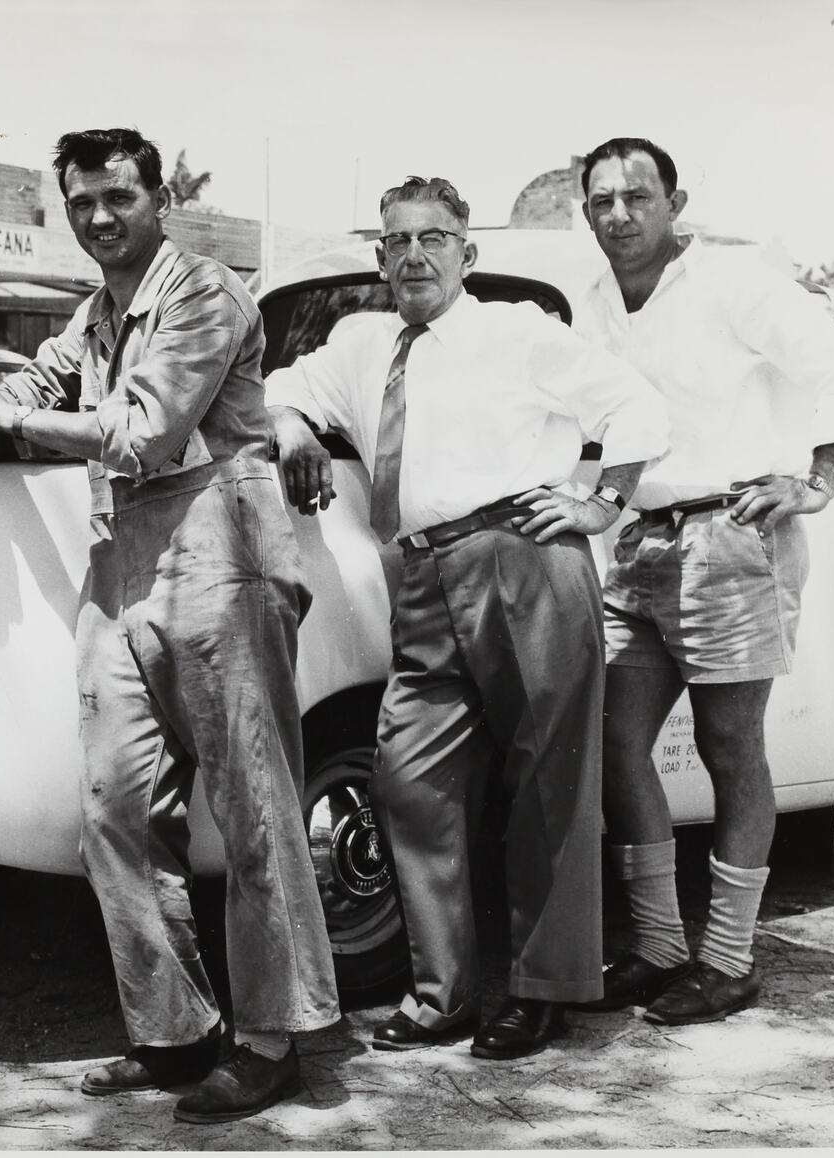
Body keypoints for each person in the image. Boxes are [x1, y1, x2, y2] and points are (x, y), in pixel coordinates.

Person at [0, 128, 339, 1123]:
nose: (100, 217)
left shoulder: (203, 290)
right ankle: (173, 1032)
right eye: (81, 202)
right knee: (115, 809)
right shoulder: (96, 312)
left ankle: (274, 1041)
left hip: (220, 547)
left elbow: (145, 431)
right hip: (122, 561)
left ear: (161, 199)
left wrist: (10, 418)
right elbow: (37, 378)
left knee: (253, 807)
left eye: (118, 196)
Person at [267, 176, 669, 1060]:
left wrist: (602, 503)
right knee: (410, 780)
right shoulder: (361, 341)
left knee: (549, 787)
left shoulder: (516, 331)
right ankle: (441, 993)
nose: (415, 255)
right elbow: (279, 387)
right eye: (399, 241)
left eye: (435, 239)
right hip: (420, 574)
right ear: (380, 256)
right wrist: (293, 426)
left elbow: (637, 406)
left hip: (522, 557)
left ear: (466, 253)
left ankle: (542, 990)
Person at [571, 138, 834, 1025]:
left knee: (729, 745)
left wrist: (815, 482)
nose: (620, 214)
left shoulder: (735, 283)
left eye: (638, 196)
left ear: (676, 204)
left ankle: (729, 959)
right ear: (586, 212)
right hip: (641, 541)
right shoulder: (592, 302)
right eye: (602, 200)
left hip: (733, 535)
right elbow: (596, 426)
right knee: (616, 740)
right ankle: (659, 947)